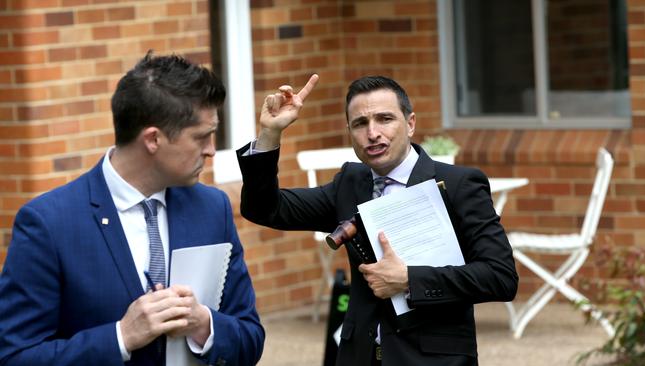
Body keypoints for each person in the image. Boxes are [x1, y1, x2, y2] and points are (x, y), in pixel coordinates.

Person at [0, 52, 264, 366]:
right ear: (153, 139)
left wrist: (204, 325)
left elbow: (250, 336)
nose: (211, 150)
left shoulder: (212, 208)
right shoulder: (49, 223)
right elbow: (15, 357)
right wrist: (120, 337)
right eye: (202, 137)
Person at [236, 75, 518, 365]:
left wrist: (409, 279)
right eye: (360, 123)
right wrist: (270, 134)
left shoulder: (458, 185)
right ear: (350, 131)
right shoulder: (349, 182)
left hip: (433, 359)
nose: (372, 133)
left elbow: (500, 277)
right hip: (359, 355)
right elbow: (265, 208)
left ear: (410, 124)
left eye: (385, 119)